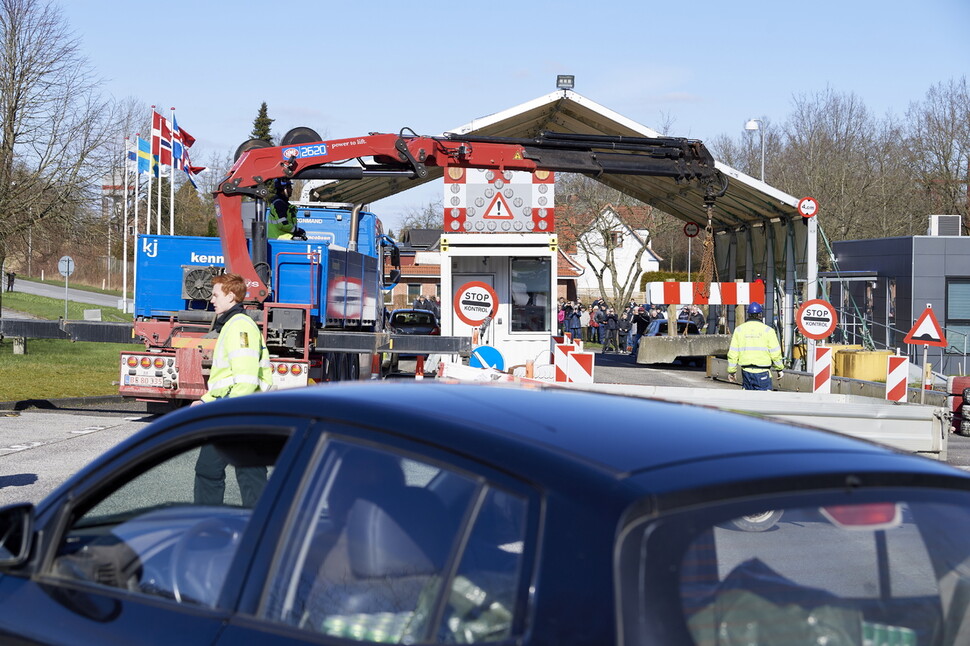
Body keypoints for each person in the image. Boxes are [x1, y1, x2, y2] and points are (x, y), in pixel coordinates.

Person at [192, 272, 274, 506]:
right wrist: (206, 400)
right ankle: (260, 525)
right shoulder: (236, 324)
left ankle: (207, 524)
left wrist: (227, 412)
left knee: (210, 470)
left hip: (237, 412)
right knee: (249, 472)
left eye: (216, 294)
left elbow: (246, 380)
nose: (211, 299)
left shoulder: (239, 327)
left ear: (230, 296)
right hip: (243, 411)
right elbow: (228, 379)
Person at [727, 302, 784, 391]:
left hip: (746, 372)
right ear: (760, 315)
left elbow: (733, 353)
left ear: (748, 314)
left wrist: (732, 371)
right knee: (763, 401)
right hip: (763, 372)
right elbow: (775, 354)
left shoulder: (739, 330)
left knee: (748, 400)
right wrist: (779, 369)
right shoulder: (768, 331)